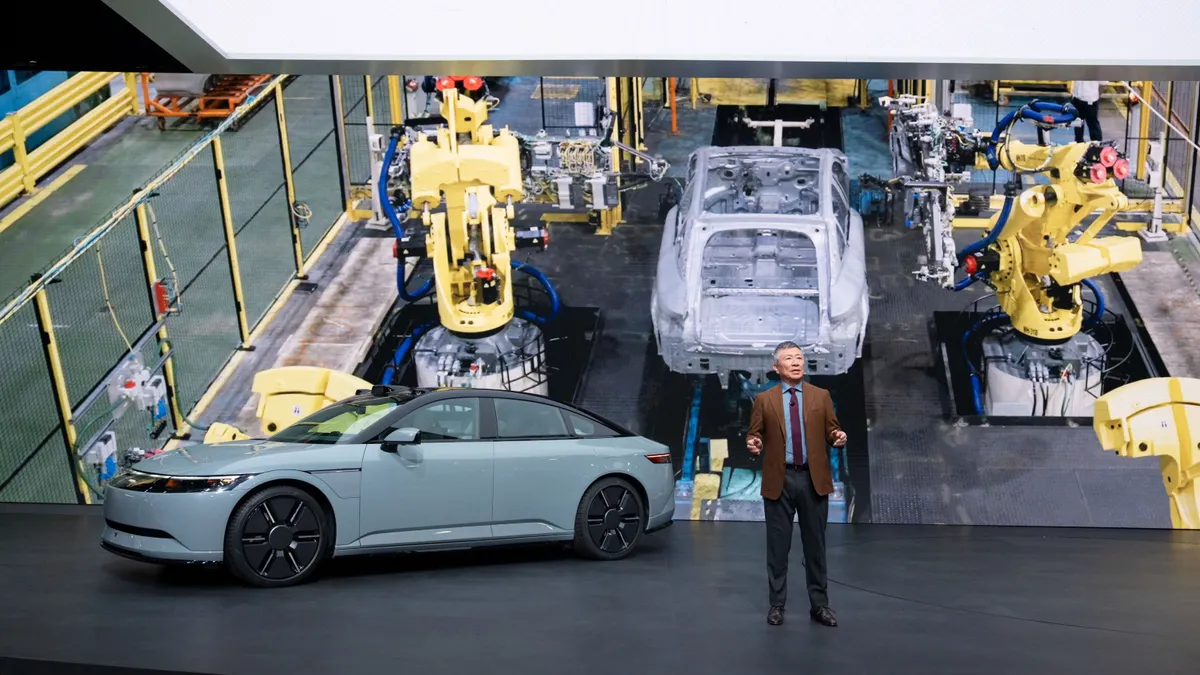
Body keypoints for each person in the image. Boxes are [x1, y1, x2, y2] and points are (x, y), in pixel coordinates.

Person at [746, 341, 846, 628]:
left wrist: (837, 436)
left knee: (815, 546)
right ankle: (777, 605)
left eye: (799, 358)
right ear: (776, 367)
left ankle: (820, 605)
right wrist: (753, 443)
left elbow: (832, 429)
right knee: (778, 548)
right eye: (789, 358)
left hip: (813, 480)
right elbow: (754, 434)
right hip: (780, 479)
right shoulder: (764, 399)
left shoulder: (821, 396)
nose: (796, 362)